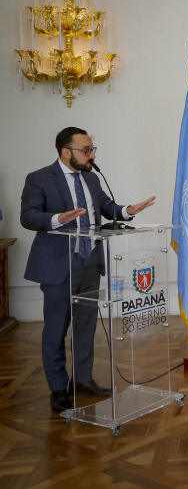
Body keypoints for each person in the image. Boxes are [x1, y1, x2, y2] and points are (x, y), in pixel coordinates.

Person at [20, 127, 156, 413]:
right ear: (65, 151)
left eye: (93, 149)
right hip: (59, 264)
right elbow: (28, 217)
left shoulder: (91, 178)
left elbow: (107, 208)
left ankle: (82, 381)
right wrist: (58, 218)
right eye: (86, 150)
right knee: (56, 328)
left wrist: (129, 210)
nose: (91, 155)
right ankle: (58, 389)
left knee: (85, 325)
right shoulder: (40, 178)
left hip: (91, 260)